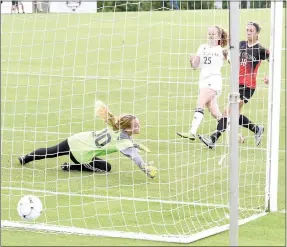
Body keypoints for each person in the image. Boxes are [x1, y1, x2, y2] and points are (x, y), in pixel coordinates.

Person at [18, 101, 157, 179]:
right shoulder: (124, 142)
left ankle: (25, 158)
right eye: (136, 125)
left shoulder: (115, 125)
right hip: (81, 154)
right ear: (127, 129)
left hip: (76, 139)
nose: (139, 126)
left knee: (51, 151)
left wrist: (136, 144)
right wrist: (145, 168)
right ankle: (71, 166)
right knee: (106, 168)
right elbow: (135, 157)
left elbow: (125, 142)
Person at [198, 22, 270, 149]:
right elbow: (232, 59)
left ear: (257, 33)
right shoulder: (241, 44)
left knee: (229, 112)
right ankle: (256, 129)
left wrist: (269, 76)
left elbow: (274, 60)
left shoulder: (261, 50)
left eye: (251, 31)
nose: (248, 33)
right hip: (236, 84)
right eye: (247, 30)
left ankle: (212, 139)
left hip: (248, 87)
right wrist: (225, 56)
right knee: (232, 114)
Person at [177, 26, 228, 140]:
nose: (210, 35)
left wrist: (229, 57)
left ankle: (192, 131)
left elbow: (230, 60)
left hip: (213, 81)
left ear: (219, 37)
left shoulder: (221, 50)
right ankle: (235, 135)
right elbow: (195, 66)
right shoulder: (202, 47)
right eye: (209, 33)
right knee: (216, 113)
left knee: (200, 103)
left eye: (213, 34)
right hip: (203, 81)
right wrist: (192, 61)